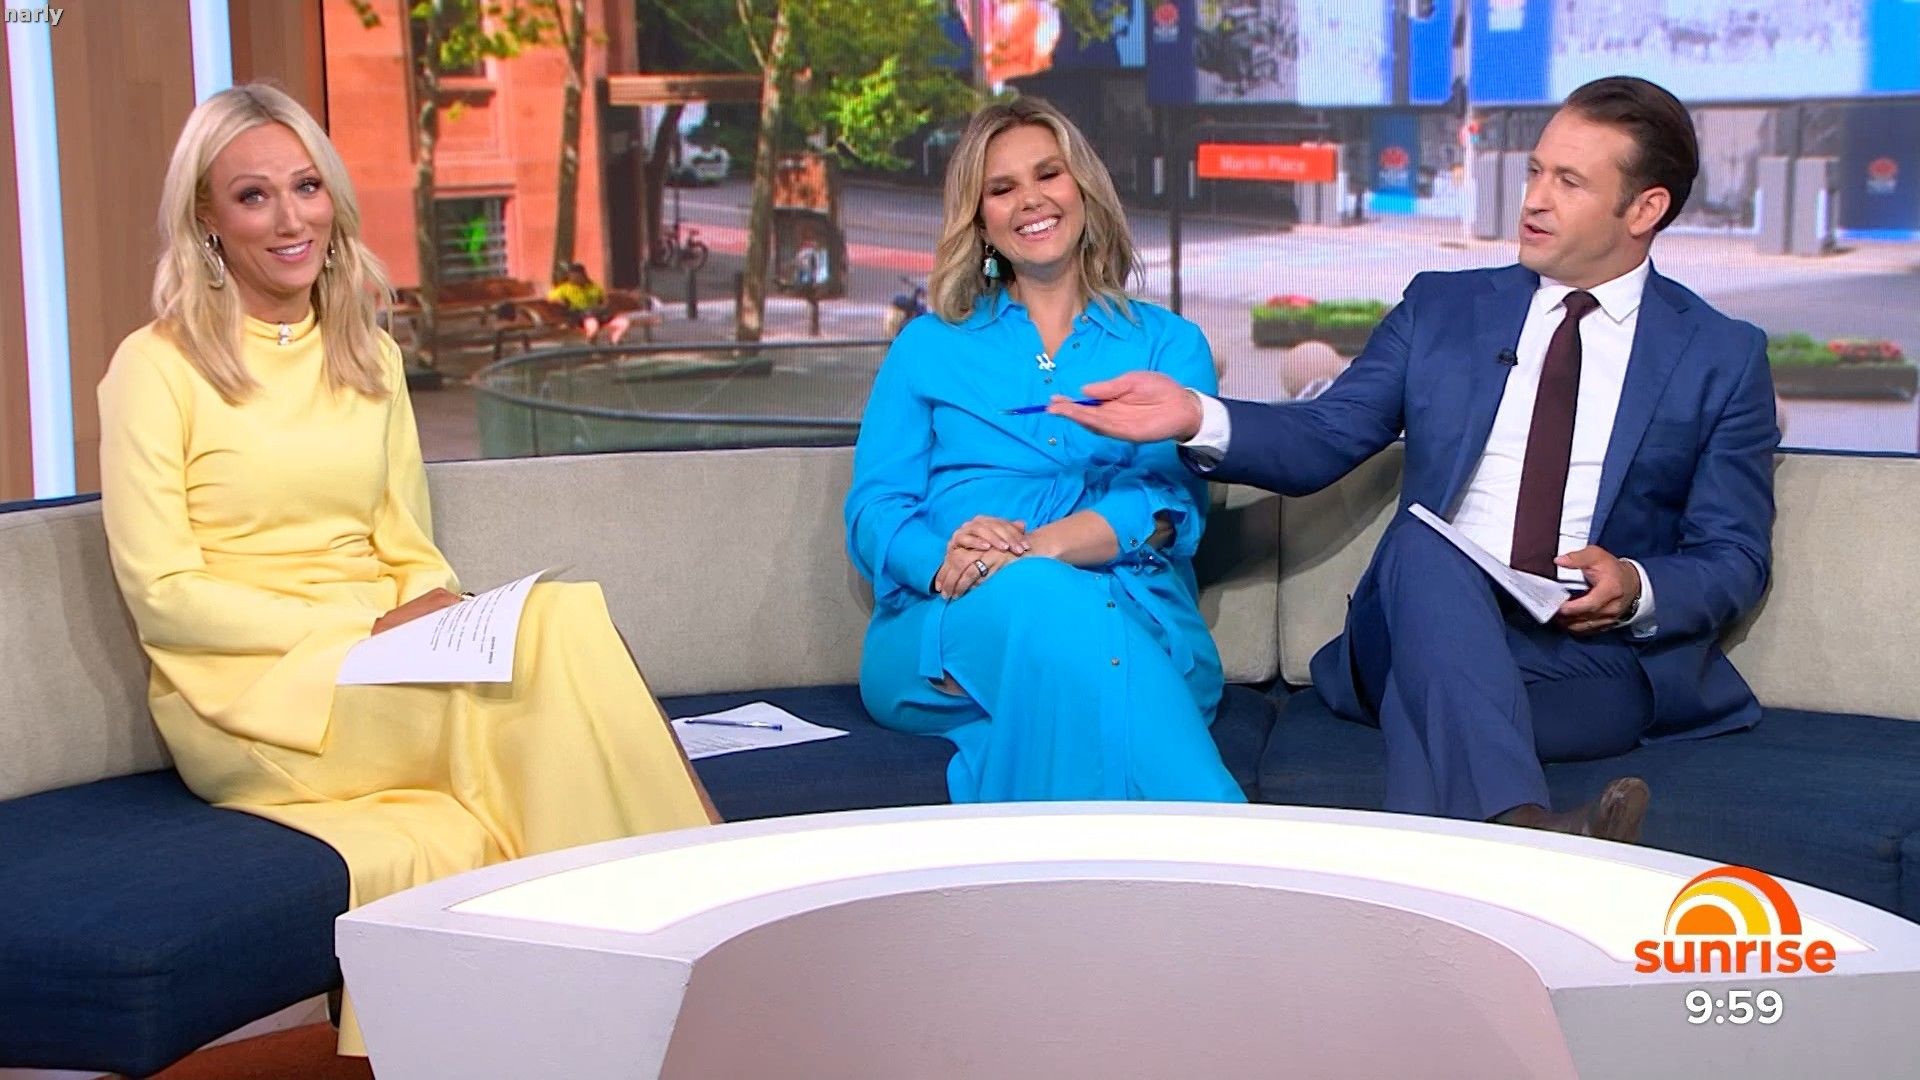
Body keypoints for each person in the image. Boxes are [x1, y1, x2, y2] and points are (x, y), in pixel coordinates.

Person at [96, 84, 716, 1054]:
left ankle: (600, 1018)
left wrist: (437, 608)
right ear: (208, 219)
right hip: (249, 697)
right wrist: (356, 632)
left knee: (558, 621)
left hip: (380, 662)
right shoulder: (155, 366)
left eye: (306, 187)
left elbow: (405, 542)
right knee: (554, 662)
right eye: (255, 196)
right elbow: (164, 596)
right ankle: (693, 964)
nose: (291, 218)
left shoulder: (368, 355)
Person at [1053, 76, 1780, 841]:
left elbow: (1733, 556)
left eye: (1568, 183)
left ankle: (1455, 840)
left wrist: (1635, 586)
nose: (1533, 200)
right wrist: (1197, 415)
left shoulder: (1721, 356)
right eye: (1535, 171)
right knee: (1427, 543)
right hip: (1418, 615)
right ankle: (1522, 822)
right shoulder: (1442, 308)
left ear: (1645, 208)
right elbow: (1324, 435)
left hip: (1579, 659)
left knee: (1431, 701)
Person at [844, 98, 1243, 804]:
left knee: (1059, 634)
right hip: (951, 618)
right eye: (1002, 188)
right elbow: (875, 510)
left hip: (1131, 608)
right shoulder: (927, 347)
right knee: (1059, 629)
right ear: (980, 221)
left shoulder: (1168, 344)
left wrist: (1035, 550)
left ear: (1082, 187)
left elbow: (1167, 507)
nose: (1030, 199)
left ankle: (1037, 870)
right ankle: (1227, 852)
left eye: (1048, 174)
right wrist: (948, 562)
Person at [547, 260, 632, 342]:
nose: (575, 277)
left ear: (583, 275)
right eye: (573, 274)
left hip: (599, 314)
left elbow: (604, 299)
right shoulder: (564, 288)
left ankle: (614, 342)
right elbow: (552, 299)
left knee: (624, 323)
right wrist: (560, 303)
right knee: (593, 326)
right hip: (581, 317)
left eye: (578, 274)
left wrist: (607, 306)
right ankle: (591, 347)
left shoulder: (594, 287)